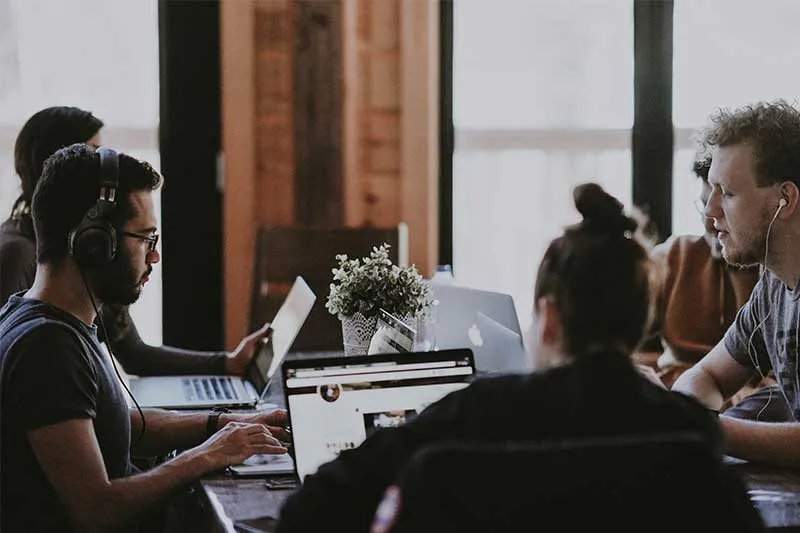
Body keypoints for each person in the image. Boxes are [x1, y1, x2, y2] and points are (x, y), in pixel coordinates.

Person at [275, 183, 721, 533]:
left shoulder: (473, 415)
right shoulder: (691, 431)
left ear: (547, 318)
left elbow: (310, 509)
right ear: (640, 318)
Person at [0, 144, 289, 532]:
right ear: (93, 243)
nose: (154, 257)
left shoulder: (46, 319)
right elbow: (96, 511)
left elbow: (117, 423)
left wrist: (222, 424)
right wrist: (206, 456)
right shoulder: (47, 348)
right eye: (147, 238)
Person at [0, 106, 263, 377]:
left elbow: (135, 354)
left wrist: (227, 363)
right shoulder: (20, 254)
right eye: (92, 154)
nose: (105, 170)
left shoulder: (101, 248)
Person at [672, 99, 800, 467]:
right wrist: (697, 415)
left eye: (727, 193)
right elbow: (706, 374)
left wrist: (709, 428)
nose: (710, 213)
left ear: (785, 199)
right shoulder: (774, 285)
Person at [636, 155, 790, 421]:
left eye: (727, 199)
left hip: (750, 410)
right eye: (704, 203)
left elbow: (784, 394)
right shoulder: (674, 256)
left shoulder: (777, 278)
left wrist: (706, 421)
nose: (709, 219)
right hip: (690, 399)